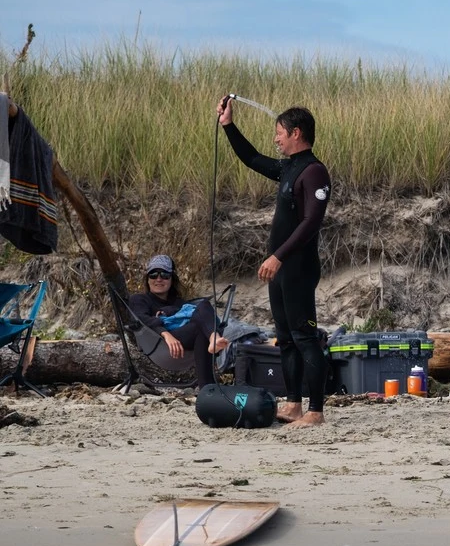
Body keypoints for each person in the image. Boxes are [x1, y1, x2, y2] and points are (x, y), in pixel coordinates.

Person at [217, 97, 331, 426]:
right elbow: (251, 158)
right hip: (281, 270)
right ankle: (294, 405)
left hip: (298, 268)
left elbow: (311, 222)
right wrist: (228, 125)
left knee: (305, 338)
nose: (275, 139)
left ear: (296, 133)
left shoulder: (314, 172)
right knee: (286, 339)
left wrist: (278, 256)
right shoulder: (289, 168)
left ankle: (316, 411)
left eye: (279, 133)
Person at [127, 254, 227, 389]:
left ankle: (208, 387)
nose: (159, 279)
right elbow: (142, 319)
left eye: (164, 275)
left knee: (203, 306)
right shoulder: (139, 299)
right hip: (160, 345)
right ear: (148, 279)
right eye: (153, 275)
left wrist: (171, 310)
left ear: (172, 279)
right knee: (200, 325)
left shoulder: (179, 302)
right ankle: (207, 385)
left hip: (184, 341)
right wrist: (166, 334)